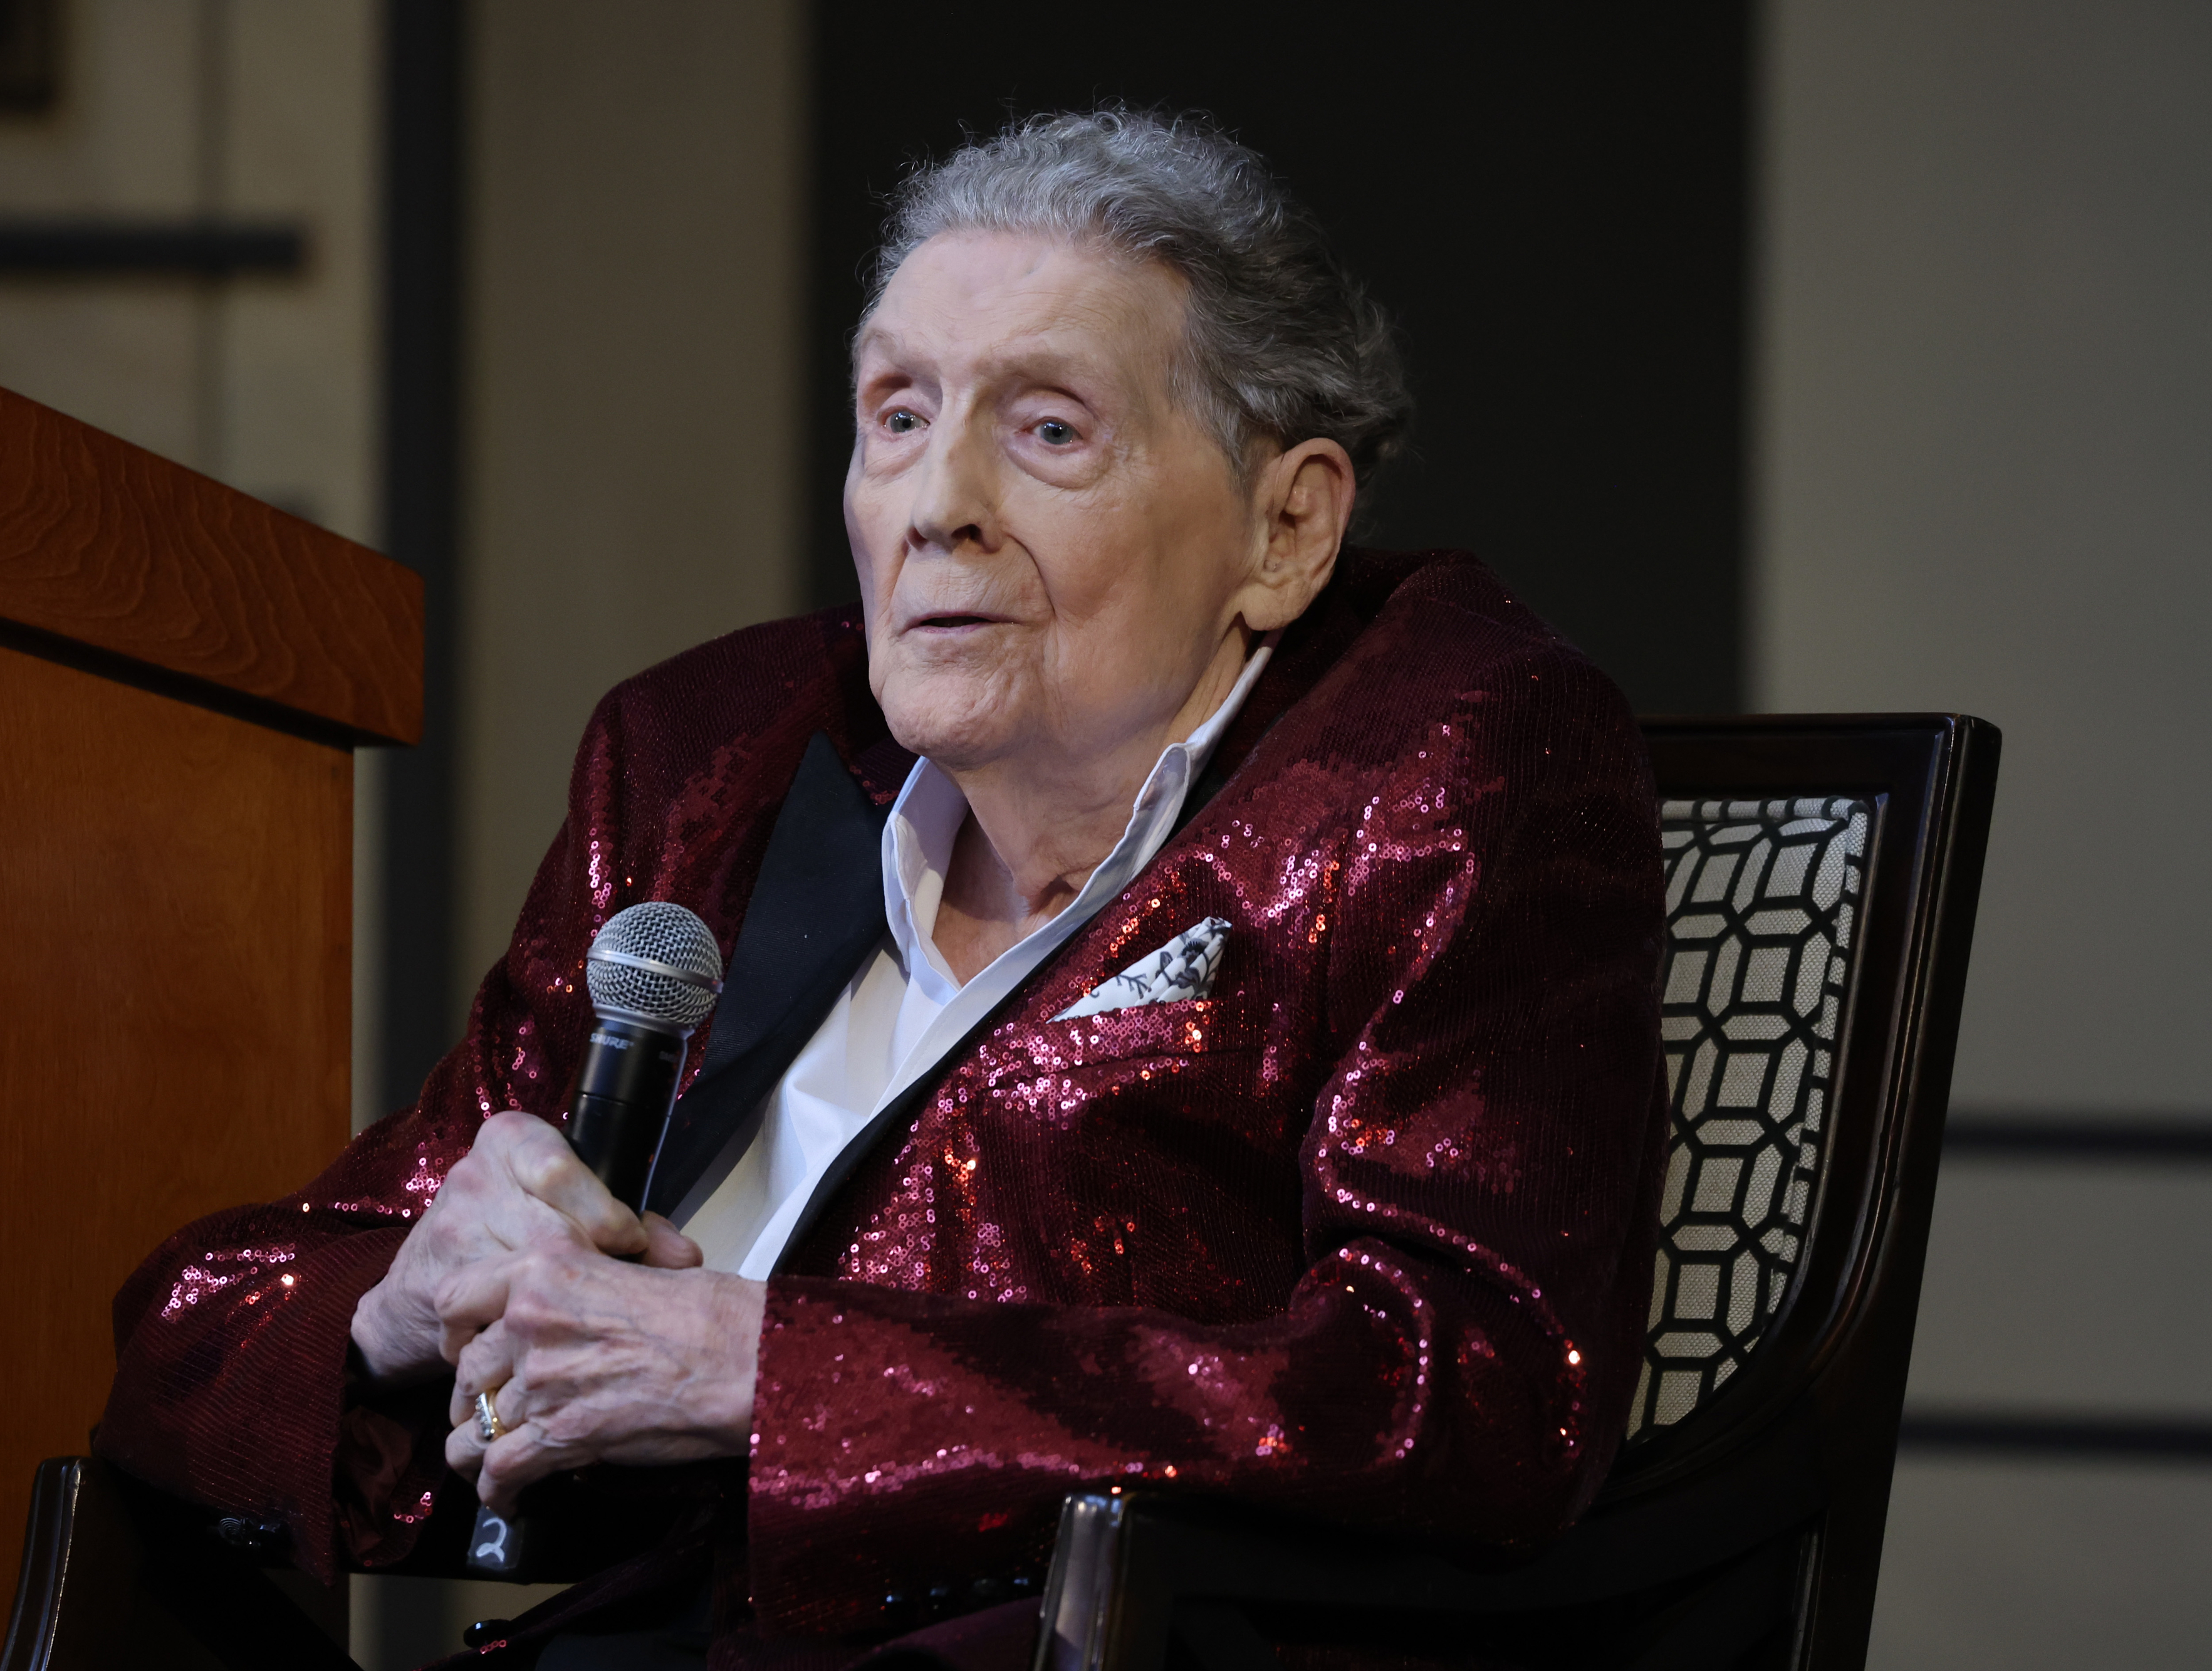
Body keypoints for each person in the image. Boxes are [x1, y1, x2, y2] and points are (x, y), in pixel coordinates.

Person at [96, 110, 1669, 1670]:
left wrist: (777, 1375)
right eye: (897, 414)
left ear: (1284, 525)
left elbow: (1466, 1390)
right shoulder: (706, 763)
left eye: (1048, 429)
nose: (937, 503)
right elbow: (189, 1336)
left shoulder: (1447, 762)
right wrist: (395, 1303)